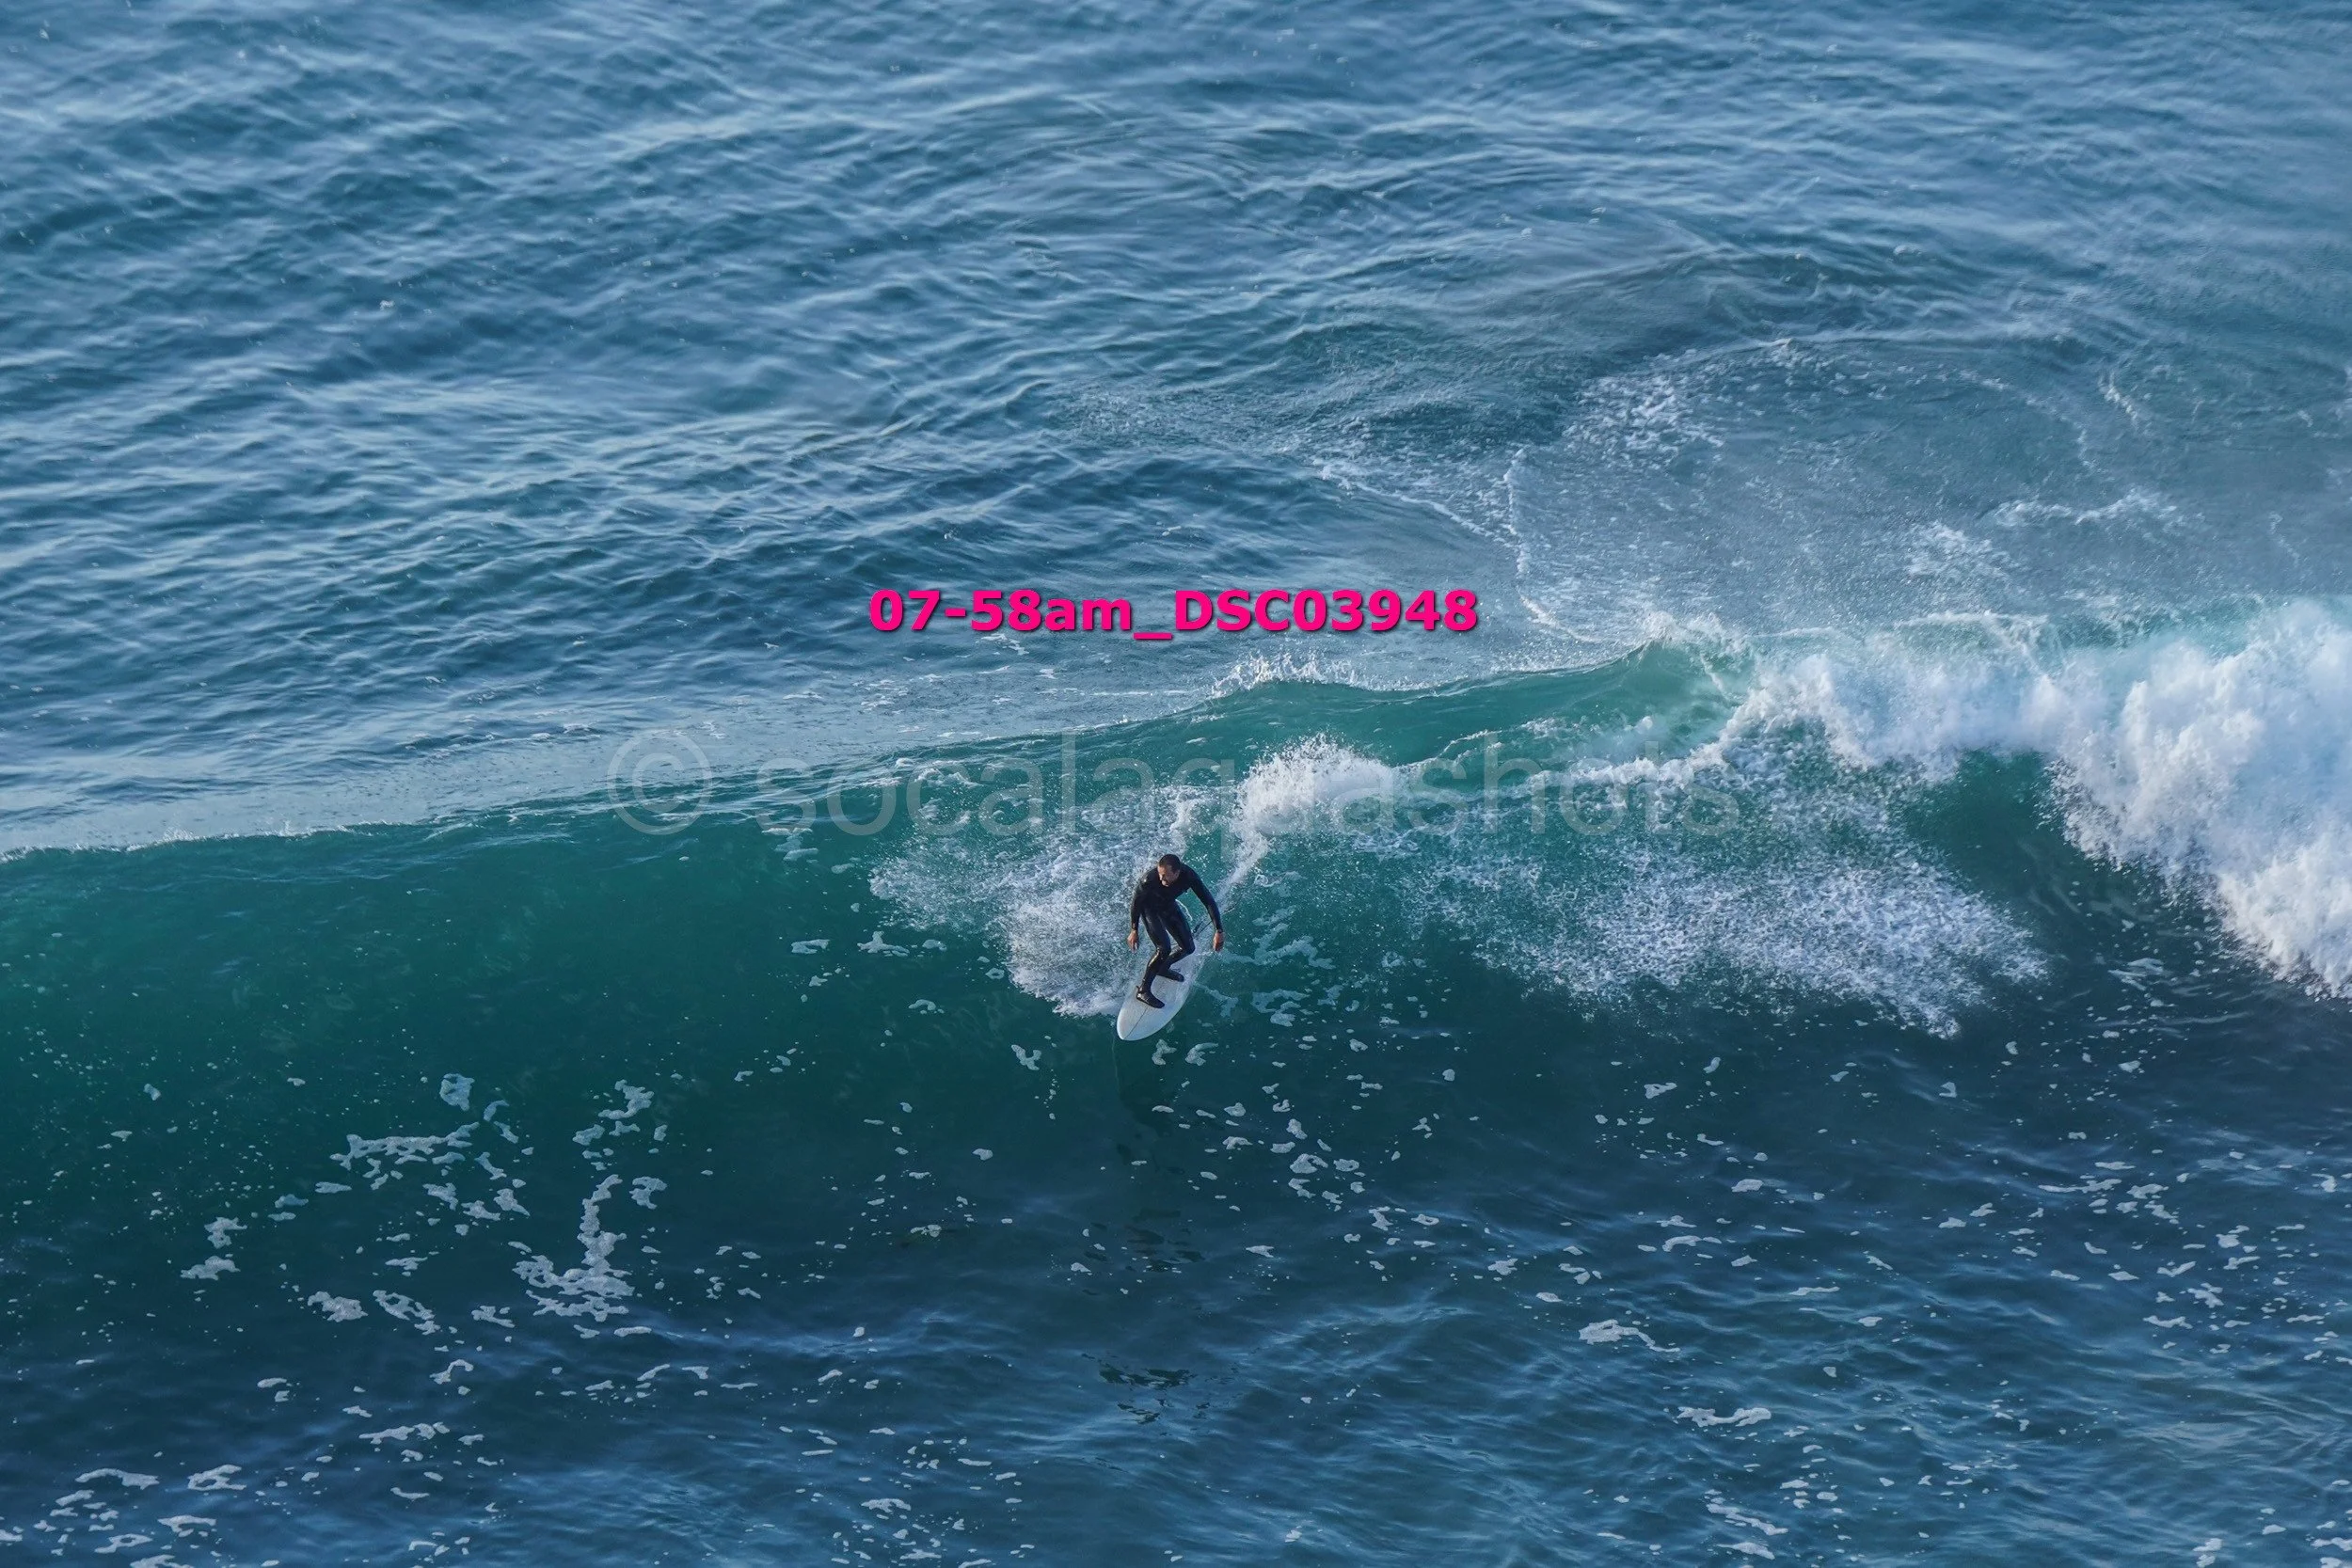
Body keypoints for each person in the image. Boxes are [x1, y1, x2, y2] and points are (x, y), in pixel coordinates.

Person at [1126, 852, 1224, 1007]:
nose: (1161, 879)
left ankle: (1163, 968)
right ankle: (1143, 991)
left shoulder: (1189, 876)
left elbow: (1209, 901)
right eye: (1160, 875)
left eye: (1166, 876)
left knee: (1188, 947)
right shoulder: (1148, 880)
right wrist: (1134, 930)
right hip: (1149, 909)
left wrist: (1219, 931)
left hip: (1168, 906)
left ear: (1177, 873)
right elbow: (1136, 902)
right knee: (1163, 949)